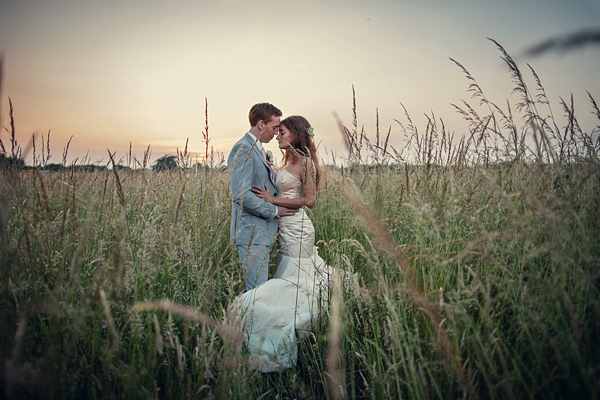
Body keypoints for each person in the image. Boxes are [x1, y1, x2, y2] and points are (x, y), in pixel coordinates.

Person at [231, 115, 345, 372]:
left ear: (295, 134)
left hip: (299, 229)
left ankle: (301, 321)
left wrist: (272, 201)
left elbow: (310, 200)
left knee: (296, 276)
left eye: (282, 132)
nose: (279, 136)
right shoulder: (288, 160)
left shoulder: (305, 162)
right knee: (290, 273)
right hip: (284, 227)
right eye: (278, 131)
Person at [228, 103, 297, 292]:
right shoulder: (243, 148)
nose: (276, 132)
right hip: (252, 234)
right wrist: (274, 210)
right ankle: (246, 322)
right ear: (261, 124)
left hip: (262, 234)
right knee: (256, 295)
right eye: (274, 127)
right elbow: (241, 194)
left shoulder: (257, 149)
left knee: (260, 293)